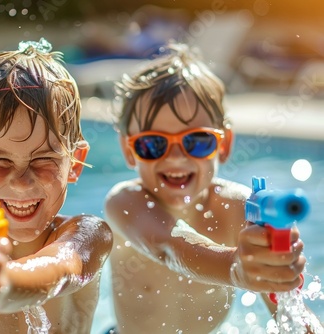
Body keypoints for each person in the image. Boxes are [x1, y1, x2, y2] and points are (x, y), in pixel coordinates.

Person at [104, 42, 320, 333]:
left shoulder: (239, 210)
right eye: (153, 144)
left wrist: (278, 272)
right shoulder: (124, 203)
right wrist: (235, 267)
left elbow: (289, 315)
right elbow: (167, 245)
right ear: (129, 150)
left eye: (197, 141)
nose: (176, 156)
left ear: (224, 144)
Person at [0, 38, 113, 333]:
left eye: (42, 158)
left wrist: (4, 283)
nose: (21, 180)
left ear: (75, 163)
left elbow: (61, 270)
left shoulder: (88, 235)